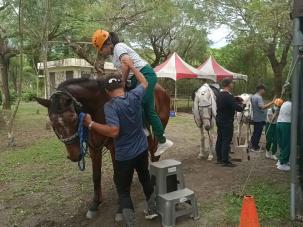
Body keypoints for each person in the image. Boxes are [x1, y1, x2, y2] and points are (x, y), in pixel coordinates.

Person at [83, 59, 158, 226]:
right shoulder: (135, 95)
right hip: (141, 149)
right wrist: (131, 66)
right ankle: (152, 209)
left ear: (108, 92)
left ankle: (131, 223)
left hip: (124, 155)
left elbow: (114, 131)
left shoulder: (110, 107)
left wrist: (91, 124)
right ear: (122, 86)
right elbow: (145, 82)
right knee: (145, 178)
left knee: (123, 190)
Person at [91, 29, 173, 156]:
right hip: (134, 79)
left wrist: (122, 82)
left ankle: (160, 139)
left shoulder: (119, 47)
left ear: (107, 44)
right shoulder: (114, 55)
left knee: (144, 105)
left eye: (101, 49)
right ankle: (146, 131)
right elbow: (122, 69)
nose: (102, 52)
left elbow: (126, 65)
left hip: (144, 74)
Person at [216, 78, 245, 167]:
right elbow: (237, 107)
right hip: (227, 120)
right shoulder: (228, 96)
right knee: (226, 140)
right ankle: (225, 161)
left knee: (220, 139)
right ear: (228, 85)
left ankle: (219, 158)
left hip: (219, 118)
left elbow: (228, 102)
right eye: (232, 83)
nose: (233, 84)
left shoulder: (219, 94)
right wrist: (243, 106)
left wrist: (234, 98)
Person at [250, 85, 275, 151]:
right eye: (264, 90)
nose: (264, 91)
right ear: (260, 90)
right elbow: (262, 107)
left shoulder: (253, 96)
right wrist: (271, 102)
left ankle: (253, 145)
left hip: (255, 117)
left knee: (255, 132)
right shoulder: (259, 97)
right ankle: (255, 147)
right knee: (258, 133)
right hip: (259, 118)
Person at [276, 94, 292, 171]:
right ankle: (282, 163)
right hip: (286, 124)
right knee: (286, 144)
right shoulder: (292, 105)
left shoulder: (285, 103)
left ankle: (281, 160)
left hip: (279, 123)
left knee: (282, 144)